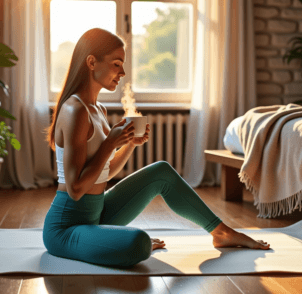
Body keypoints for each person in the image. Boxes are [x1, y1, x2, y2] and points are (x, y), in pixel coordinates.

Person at [42, 28, 270, 268]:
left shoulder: (98, 109)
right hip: (66, 228)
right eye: (116, 64)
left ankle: (221, 232)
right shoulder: (75, 110)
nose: (123, 72)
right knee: (139, 242)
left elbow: (104, 171)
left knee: (161, 171)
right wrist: (110, 143)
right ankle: (113, 240)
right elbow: (76, 189)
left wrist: (128, 143)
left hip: (97, 214)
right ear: (91, 62)